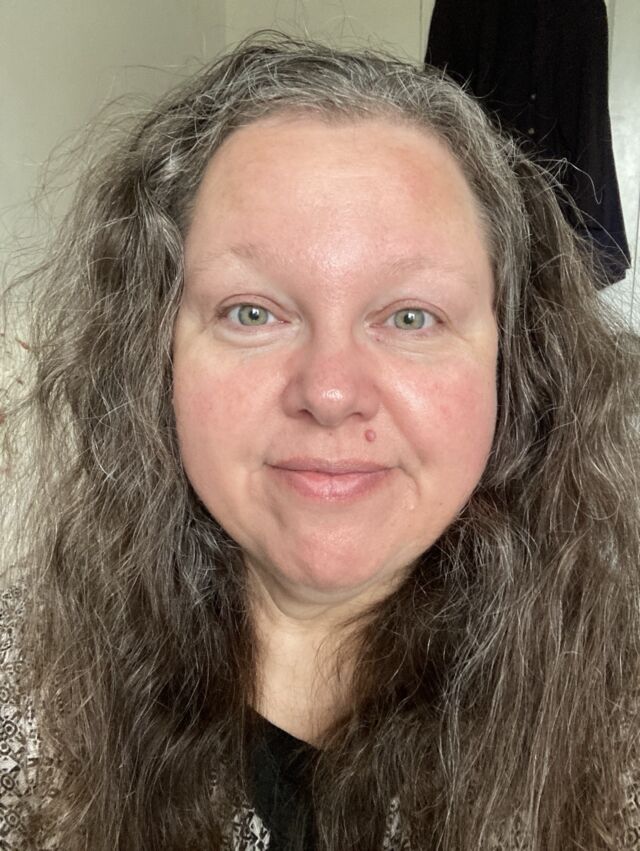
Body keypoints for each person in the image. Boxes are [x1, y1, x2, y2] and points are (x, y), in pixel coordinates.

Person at [1, 31, 639, 851]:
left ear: (517, 361)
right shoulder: (22, 683)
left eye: (411, 316)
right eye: (252, 312)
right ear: (152, 354)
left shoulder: (618, 718)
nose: (331, 392)